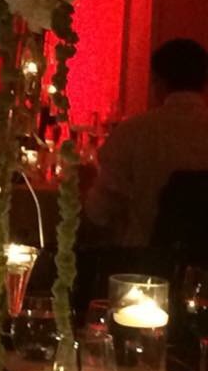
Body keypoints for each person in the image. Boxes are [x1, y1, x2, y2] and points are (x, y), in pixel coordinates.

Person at [85, 38, 208, 246]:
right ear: (204, 82)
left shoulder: (133, 132)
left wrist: (84, 186)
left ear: (159, 82)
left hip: (143, 259)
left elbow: (99, 211)